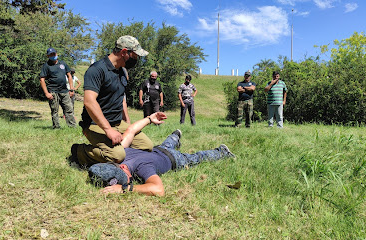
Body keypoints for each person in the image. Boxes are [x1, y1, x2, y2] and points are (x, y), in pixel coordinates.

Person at [87, 112, 235, 196]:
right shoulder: (122, 153)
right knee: (168, 144)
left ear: (126, 173)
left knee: (196, 157)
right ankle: (175, 136)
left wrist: (125, 189)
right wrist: (149, 119)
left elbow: (158, 190)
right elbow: (131, 130)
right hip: (159, 149)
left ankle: (221, 152)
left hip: (176, 160)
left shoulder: (142, 168)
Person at [74, 35, 153, 165]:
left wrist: (128, 123)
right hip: (95, 125)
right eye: (135, 55)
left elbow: (121, 98)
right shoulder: (97, 70)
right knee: (117, 155)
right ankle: (79, 151)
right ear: (124, 53)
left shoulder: (123, 71)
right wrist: (108, 130)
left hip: (118, 123)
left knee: (146, 146)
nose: (137, 59)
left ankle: (120, 155)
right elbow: (89, 102)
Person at [39, 47, 76, 129]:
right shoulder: (46, 66)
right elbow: (42, 80)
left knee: (69, 110)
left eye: (54, 54)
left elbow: (69, 76)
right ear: (48, 56)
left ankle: (72, 127)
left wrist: (71, 89)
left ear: (56, 53)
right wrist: (46, 93)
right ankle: (56, 128)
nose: (53, 56)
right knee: (54, 111)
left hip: (64, 91)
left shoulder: (63, 64)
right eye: (51, 55)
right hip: (53, 92)